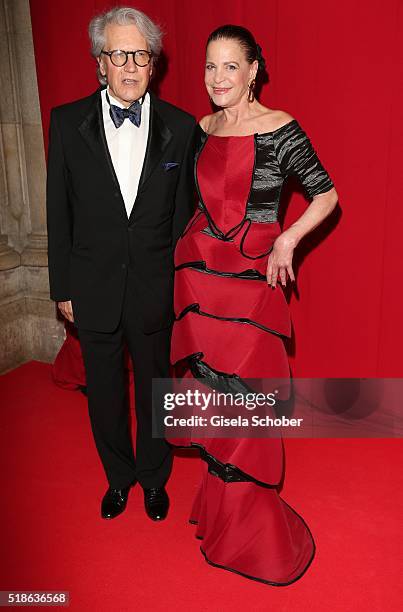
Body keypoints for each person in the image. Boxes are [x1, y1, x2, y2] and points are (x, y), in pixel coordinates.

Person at [168, 25, 338, 585]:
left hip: (252, 281)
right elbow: (198, 201)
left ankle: (249, 526)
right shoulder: (202, 127)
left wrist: (288, 239)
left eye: (230, 67)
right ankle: (220, 511)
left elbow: (327, 194)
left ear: (254, 70)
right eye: (210, 67)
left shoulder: (281, 127)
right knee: (214, 399)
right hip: (202, 281)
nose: (218, 78)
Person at [46, 6, 196, 521]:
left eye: (139, 54)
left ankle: (154, 479)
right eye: (118, 54)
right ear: (99, 63)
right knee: (105, 392)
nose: (129, 65)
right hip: (93, 284)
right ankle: (119, 477)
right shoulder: (66, 123)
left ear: (152, 63)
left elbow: (182, 219)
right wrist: (62, 285)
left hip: (155, 287)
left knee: (156, 389)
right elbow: (57, 210)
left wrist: (180, 285)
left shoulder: (182, 127)